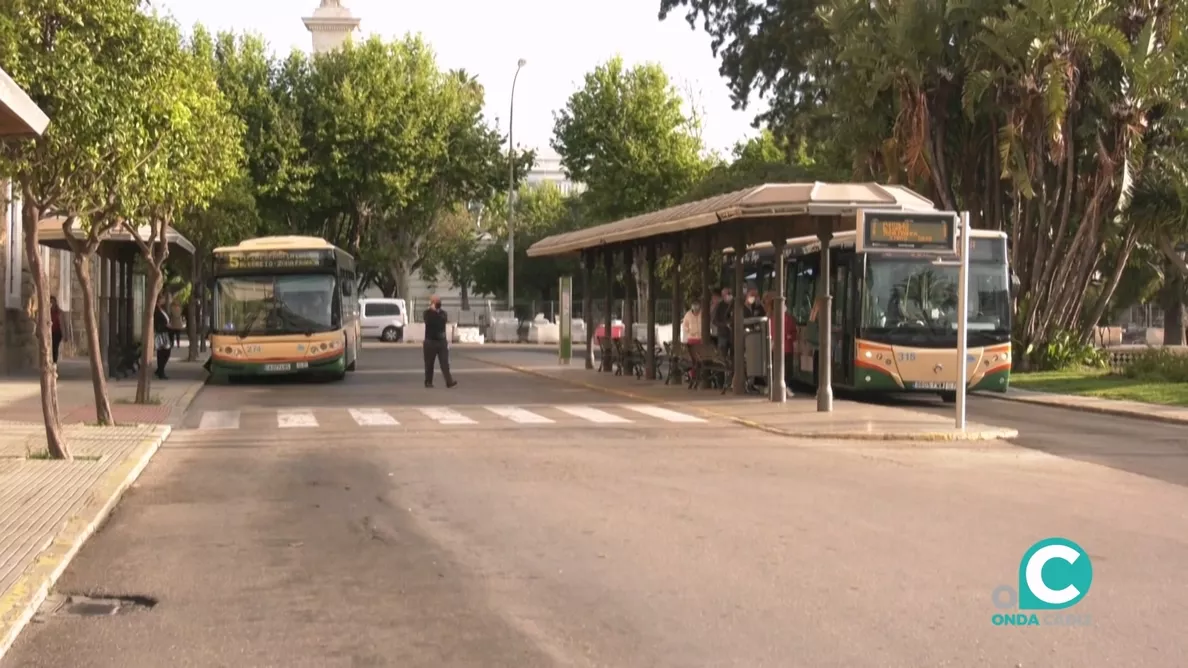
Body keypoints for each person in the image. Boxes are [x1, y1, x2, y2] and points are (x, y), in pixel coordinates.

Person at [422, 295, 457, 389]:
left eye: (438, 301)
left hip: (442, 342)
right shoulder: (427, 313)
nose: (438, 303)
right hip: (430, 341)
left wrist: (436, 313)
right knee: (429, 363)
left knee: (445, 362)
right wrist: (432, 311)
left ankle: (449, 381)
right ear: (431, 303)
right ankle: (428, 382)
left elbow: (441, 321)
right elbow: (429, 321)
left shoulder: (443, 313)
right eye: (435, 301)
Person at [153, 295, 172, 380]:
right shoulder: (156, 310)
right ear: (159, 300)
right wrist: (166, 326)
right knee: (162, 353)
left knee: (165, 352)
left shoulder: (161, 309)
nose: (164, 300)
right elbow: (157, 323)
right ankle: (161, 371)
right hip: (161, 334)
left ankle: (160, 370)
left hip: (165, 333)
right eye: (162, 299)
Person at [711, 287, 734, 358]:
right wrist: (725, 325)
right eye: (727, 294)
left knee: (733, 356)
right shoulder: (719, 306)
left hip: (733, 335)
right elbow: (714, 321)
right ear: (723, 296)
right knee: (722, 356)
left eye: (729, 293)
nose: (729, 295)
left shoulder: (734, 304)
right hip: (722, 335)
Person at [50, 296, 63, 364]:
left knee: (55, 347)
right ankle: (51, 361)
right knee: (50, 348)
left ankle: (54, 362)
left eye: (53, 302)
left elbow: (63, 323)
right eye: (50, 302)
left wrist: (65, 333)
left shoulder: (59, 312)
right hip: (50, 332)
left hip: (57, 332)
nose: (52, 303)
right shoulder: (48, 312)